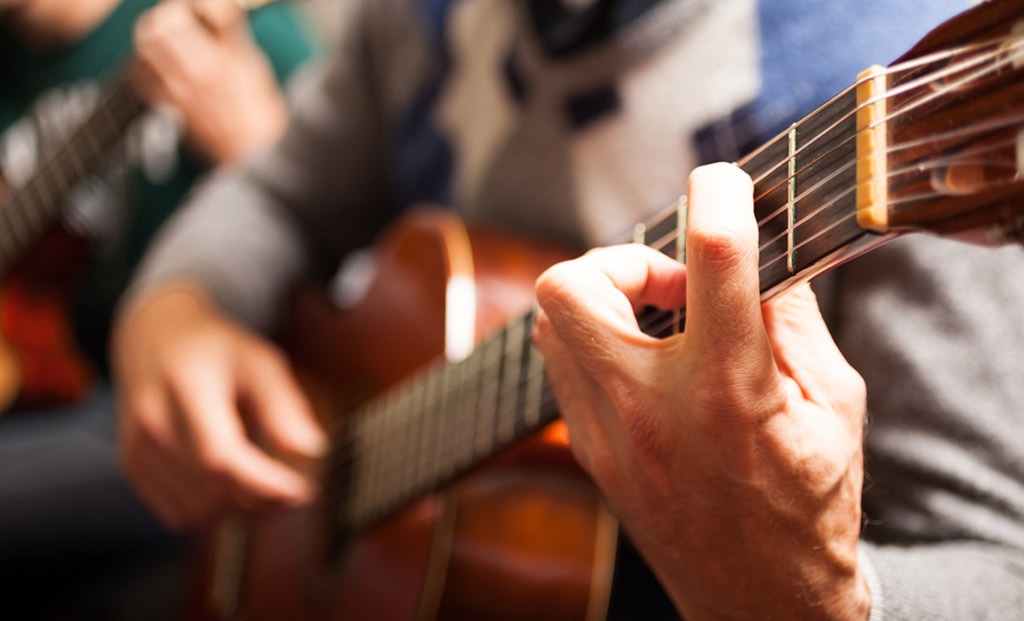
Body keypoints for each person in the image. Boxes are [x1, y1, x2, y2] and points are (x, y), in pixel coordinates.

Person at [111, 0, 1024, 617]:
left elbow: (999, 563)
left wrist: (816, 597)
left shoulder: (902, 73)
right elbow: (280, 193)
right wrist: (176, 307)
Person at [0, 0, 316, 617]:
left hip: (187, 424)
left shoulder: (238, 33)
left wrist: (254, 149)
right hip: (58, 393)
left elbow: (370, 292)